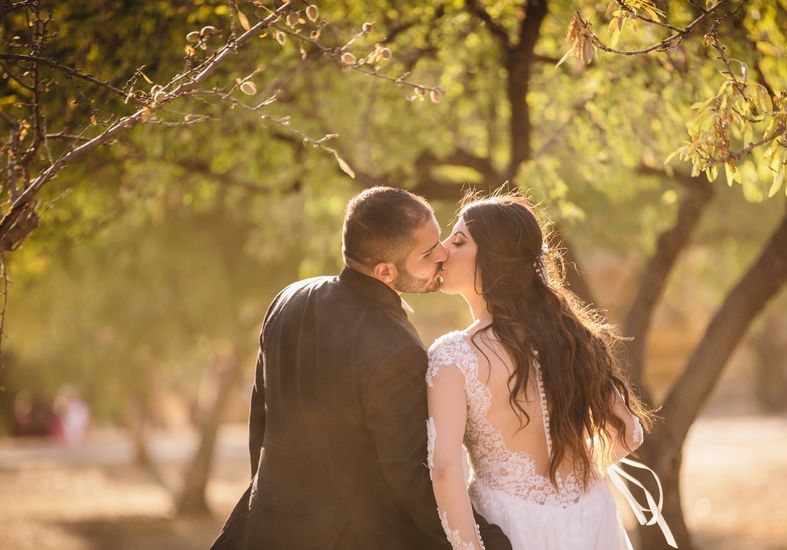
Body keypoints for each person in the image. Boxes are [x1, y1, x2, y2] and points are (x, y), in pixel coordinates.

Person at [210, 187, 511, 550]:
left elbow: (260, 423)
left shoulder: (289, 298)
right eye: (429, 253)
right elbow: (411, 477)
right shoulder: (396, 348)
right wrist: (485, 540)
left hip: (262, 526)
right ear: (385, 271)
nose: (443, 253)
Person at [426, 191, 675, 550]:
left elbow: (445, 471)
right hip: (590, 517)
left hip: (511, 526)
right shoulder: (568, 339)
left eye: (459, 241)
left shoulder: (453, 357)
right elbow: (629, 433)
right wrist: (576, 474)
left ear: (493, 259)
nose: (443, 249)